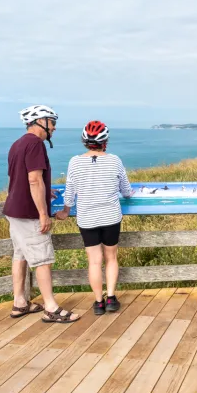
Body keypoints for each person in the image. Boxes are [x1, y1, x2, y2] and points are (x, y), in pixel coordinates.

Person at [2, 105, 79, 323]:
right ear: (40, 121)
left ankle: (20, 302)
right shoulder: (36, 144)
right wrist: (43, 214)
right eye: (52, 123)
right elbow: (33, 179)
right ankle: (51, 308)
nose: (54, 128)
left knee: (20, 256)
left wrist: (47, 190)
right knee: (42, 259)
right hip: (29, 214)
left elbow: (17, 178)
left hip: (14, 210)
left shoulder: (17, 144)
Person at [55, 120, 133, 315]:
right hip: (110, 217)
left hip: (87, 218)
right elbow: (126, 190)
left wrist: (65, 211)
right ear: (105, 141)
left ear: (84, 141)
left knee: (94, 261)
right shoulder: (114, 160)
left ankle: (98, 302)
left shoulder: (75, 162)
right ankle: (111, 298)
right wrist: (128, 194)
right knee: (111, 257)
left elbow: (70, 192)